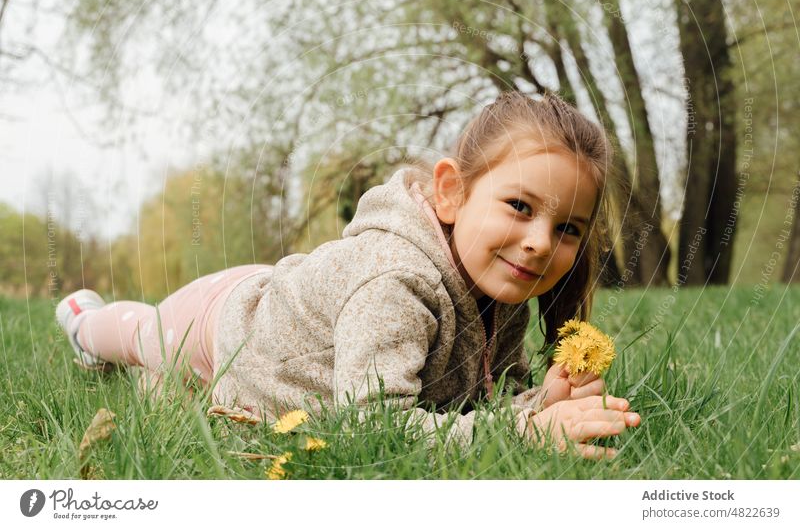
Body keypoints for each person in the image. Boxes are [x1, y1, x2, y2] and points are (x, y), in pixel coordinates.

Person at [56, 91, 640, 459]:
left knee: (169, 399)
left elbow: (476, 404)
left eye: (567, 229)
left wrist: (540, 403)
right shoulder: (395, 286)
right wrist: (527, 434)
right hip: (224, 322)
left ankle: (167, 381)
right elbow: (372, 427)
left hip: (300, 319)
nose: (540, 242)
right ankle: (85, 321)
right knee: (140, 337)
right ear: (450, 193)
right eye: (519, 206)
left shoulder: (504, 280)